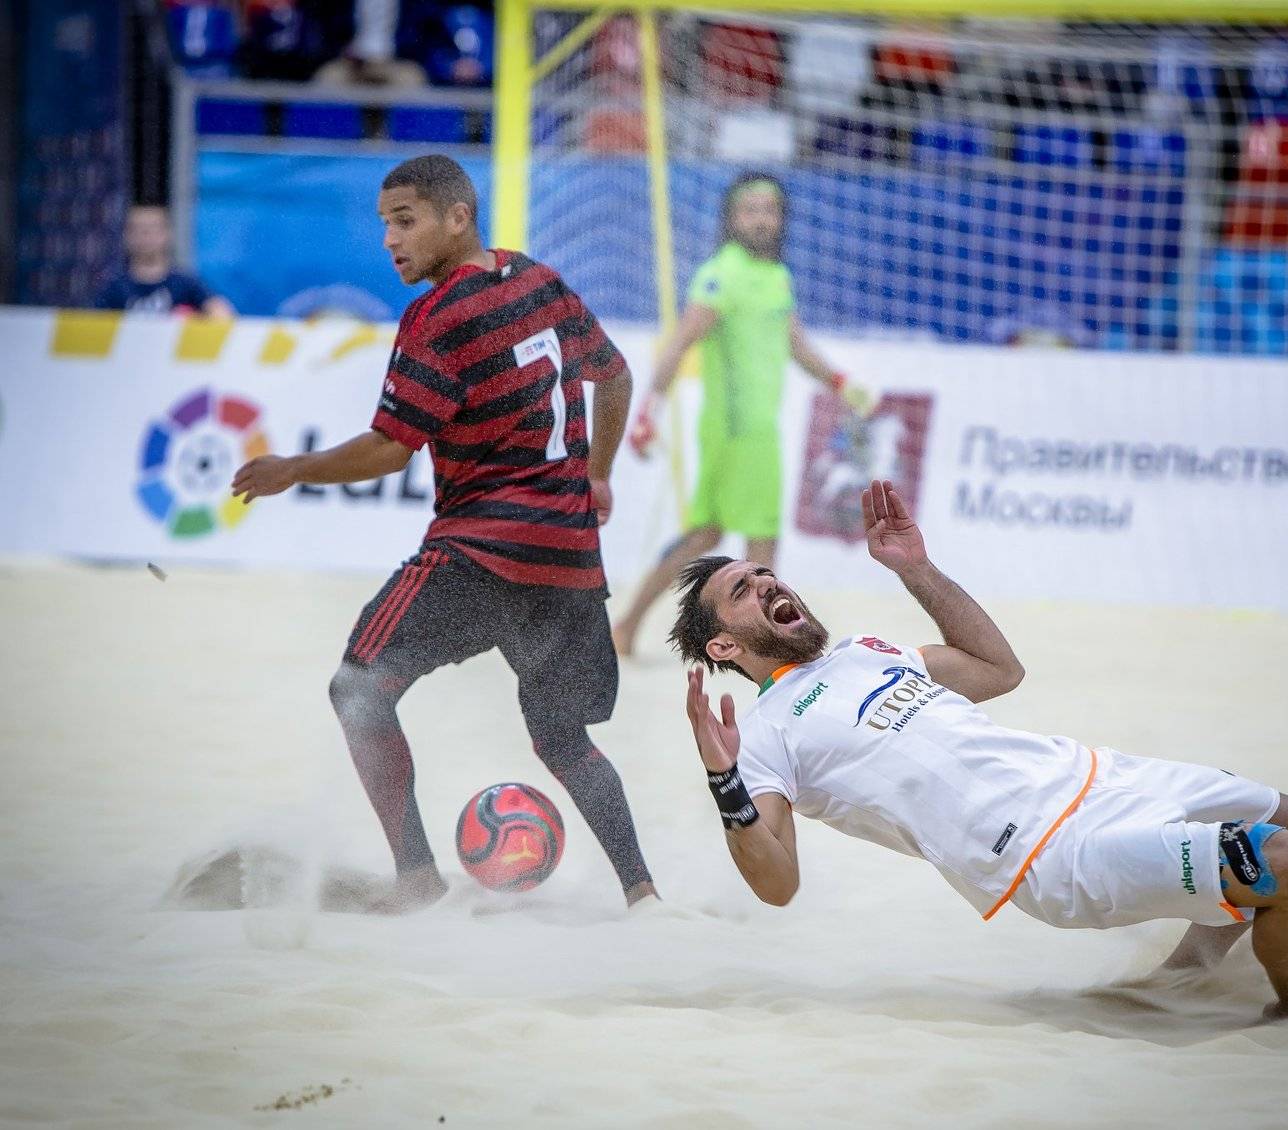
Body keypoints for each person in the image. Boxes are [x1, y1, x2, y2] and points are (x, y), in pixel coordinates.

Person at [673, 479, 1288, 1022]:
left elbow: (999, 670)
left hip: (1096, 776)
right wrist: (724, 781)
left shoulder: (865, 651)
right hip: (1049, 852)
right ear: (724, 645)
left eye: (765, 573)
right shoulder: (763, 734)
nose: (767, 582)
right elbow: (778, 885)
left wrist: (917, 569)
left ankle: (1188, 972)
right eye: (742, 590)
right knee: (1282, 861)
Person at [231, 154, 657, 912]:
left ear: (458, 218)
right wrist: (599, 475)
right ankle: (643, 893)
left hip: (481, 554)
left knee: (357, 690)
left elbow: (389, 448)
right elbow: (616, 375)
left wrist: (293, 469)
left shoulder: (437, 317)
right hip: (567, 558)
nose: (389, 241)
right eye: (384, 225)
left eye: (405, 221)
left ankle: (419, 879)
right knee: (563, 741)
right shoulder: (539, 279)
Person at [610, 171, 871, 657]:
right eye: (750, 210)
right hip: (736, 432)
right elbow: (681, 342)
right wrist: (649, 411)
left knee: (705, 535)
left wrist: (838, 381)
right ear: (730, 219)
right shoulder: (721, 274)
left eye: (770, 210)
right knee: (762, 542)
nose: (761, 219)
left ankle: (626, 627)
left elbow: (795, 344)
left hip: (756, 430)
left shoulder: (777, 278)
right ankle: (770, 651)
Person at [95, 204, 234, 316]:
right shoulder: (114, 287)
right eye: (137, 229)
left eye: (153, 229)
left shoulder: (184, 284)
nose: (145, 236)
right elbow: (94, 324)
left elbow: (221, 313)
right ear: (126, 235)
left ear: (167, 234)